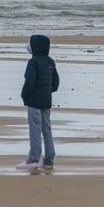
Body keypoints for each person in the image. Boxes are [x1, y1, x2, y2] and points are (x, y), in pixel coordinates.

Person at [19, 33, 59, 172]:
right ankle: (49, 159)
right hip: (46, 101)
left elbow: (29, 82)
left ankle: (34, 158)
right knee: (47, 129)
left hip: (34, 102)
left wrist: (24, 96)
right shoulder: (50, 61)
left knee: (35, 129)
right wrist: (46, 93)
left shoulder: (33, 62)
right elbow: (55, 84)